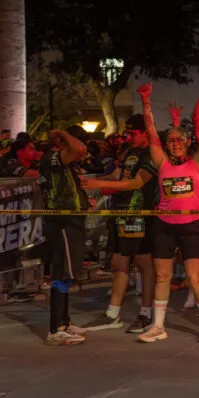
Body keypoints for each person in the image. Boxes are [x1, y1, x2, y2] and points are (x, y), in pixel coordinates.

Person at [136, 83, 199, 344]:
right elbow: (150, 133)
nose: (175, 143)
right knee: (162, 276)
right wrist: (146, 102)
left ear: (187, 143)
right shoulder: (161, 163)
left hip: (191, 225)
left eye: (180, 139)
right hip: (165, 225)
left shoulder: (198, 162)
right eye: (171, 140)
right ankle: (158, 326)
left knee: (195, 278)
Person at [80, 114, 158, 334]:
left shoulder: (153, 152)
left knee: (144, 263)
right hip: (120, 213)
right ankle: (112, 313)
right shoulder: (129, 151)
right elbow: (117, 174)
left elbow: (137, 182)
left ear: (145, 132)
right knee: (118, 262)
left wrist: (97, 182)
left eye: (133, 133)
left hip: (141, 214)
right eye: (127, 133)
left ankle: (145, 312)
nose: (129, 137)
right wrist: (91, 180)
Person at [39, 127, 90, 345]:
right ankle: (56, 328)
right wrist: (62, 132)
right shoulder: (53, 157)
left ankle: (64, 321)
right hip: (62, 223)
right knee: (61, 274)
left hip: (72, 221)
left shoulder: (64, 162)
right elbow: (79, 148)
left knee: (67, 273)